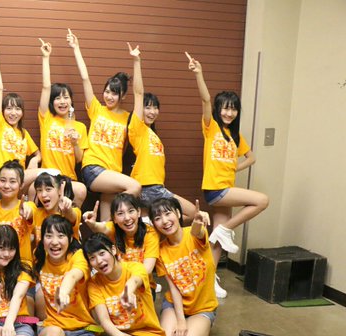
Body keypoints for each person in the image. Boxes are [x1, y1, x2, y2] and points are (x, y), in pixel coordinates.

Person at [187, 52, 269, 298]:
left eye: (233, 109)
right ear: (218, 109)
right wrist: (199, 74)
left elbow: (251, 157)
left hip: (226, 187)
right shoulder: (211, 128)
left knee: (217, 241)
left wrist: (234, 167)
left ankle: (209, 279)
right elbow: (205, 99)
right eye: (225, 108)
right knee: (262, 200)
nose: (229, 113)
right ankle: (224, 230)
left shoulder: (235, 136)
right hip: (216, 188)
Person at [66, 29, 141, 220]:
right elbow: (85, 79)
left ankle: (106, 231)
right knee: (134, 187)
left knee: (106, 225)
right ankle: (121, 213)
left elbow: (139, 94)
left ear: (123, 96)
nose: (109, 96)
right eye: (107, 91)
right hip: (93, 167)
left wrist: (136, 61)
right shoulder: (97, 109)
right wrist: (76, 48)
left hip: (112, 173)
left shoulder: (128, 118)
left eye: (114, 93)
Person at [127, 43, 196, 221]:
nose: (152, 112)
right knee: (192, 213)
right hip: (147, 187)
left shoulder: (153, 135)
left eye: (155, 108)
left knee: (155, 223)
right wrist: (136, 61)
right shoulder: (137, 128)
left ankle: (148, 224)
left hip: (156, 188)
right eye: (148, 107)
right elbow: (138, 93)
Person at [149, 198, 217, 336]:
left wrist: (197, 223)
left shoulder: (193, 235)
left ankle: (203, 324)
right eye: (158, 218)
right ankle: (182, 322)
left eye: (168, 213)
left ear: (178, 214)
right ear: (154, 224)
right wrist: (180, 321)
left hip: (202, 307)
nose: (165, 221)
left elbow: (197, 232)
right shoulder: (160, 250)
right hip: (175, 304)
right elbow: (173, 288)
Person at [37, 38, 88, 206]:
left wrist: (75, 143)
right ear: (52, 103)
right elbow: (46, 87)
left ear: (71, 101)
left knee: (81, 190)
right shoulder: (46, 118)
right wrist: (46, 58)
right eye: (57, 98)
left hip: (68, 178)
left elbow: (79, 159)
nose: (62, 101)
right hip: (48, 177)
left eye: (66, 97)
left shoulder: (80, 126)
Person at [0, 39, 41, 193]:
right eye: (9, 108)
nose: (13, 113)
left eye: (17, 109)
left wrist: (35, 159)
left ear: (22, 112)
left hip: (18, 182)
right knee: (48, 173)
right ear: (2, 111)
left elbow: (38, 153)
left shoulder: (24, 134)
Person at [83, 194, 160, 293]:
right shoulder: (114, 229)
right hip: (116, 286)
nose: (127, 218)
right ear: (114, 218)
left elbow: (147, 269)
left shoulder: (150, 233)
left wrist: (130, 285)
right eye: (120, 213)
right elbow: (102, 228)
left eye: (131, 211)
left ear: (138, 212)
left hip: (142, 287)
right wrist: (93, 224)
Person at [0, 160, 36, 264]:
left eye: (12, 181)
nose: (6, 186)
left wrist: (27, 212)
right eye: (3, 180)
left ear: (21, 185)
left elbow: (30, 212)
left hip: (21, 268)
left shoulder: (28, 206)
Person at [32, 173, 81, 246]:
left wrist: (68, 210)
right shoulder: (36, 213)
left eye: (48, 189)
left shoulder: (74, 211)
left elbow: (72, 216)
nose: (43, 195)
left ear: (60, 190)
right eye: (39, 190)